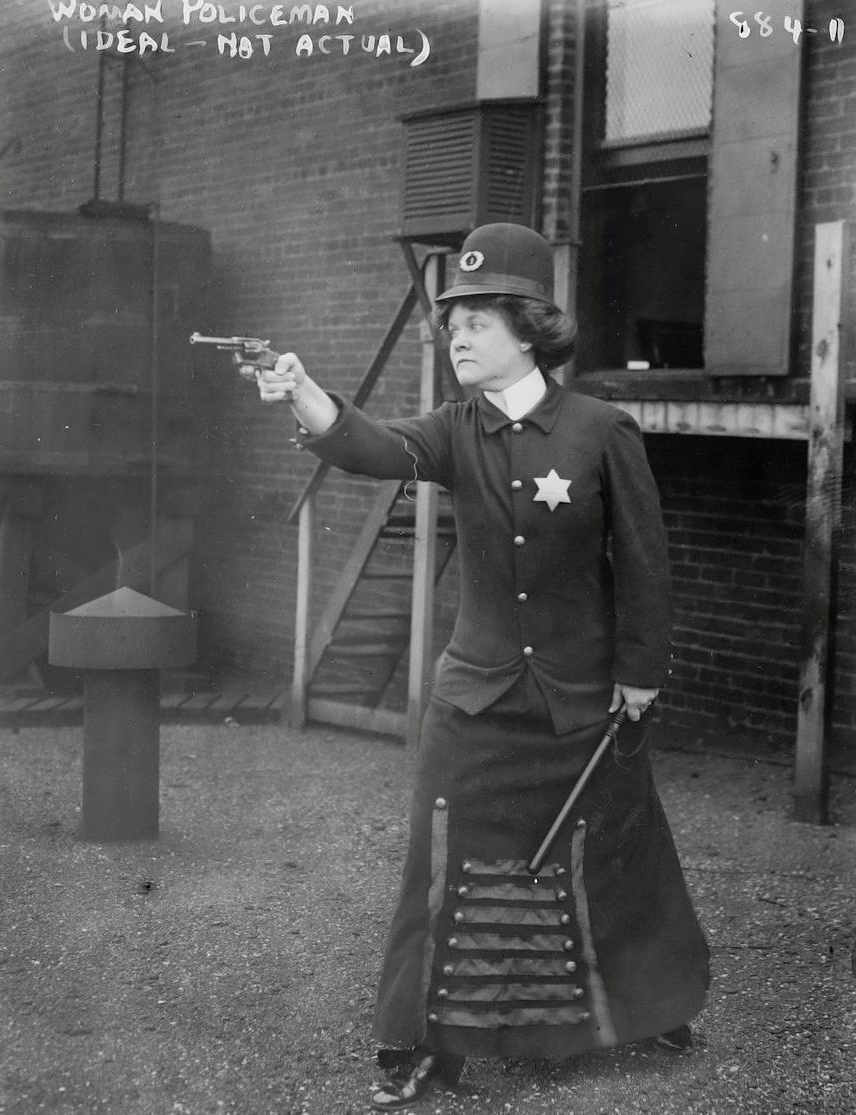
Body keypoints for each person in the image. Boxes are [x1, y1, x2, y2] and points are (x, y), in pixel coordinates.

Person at [242, 223, 710, 1111]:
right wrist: (302, 391)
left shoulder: (603, 430)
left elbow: (645, 564)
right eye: (449, 323)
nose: (454, 337)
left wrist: (640, 673)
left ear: (529, 330)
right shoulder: (451, 431)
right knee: (442, 861)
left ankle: (650, 1007)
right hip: (477, 699)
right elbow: (372, 446)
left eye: (475, 323)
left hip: (586, 699)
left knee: (612, 854)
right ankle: (420, 1044)